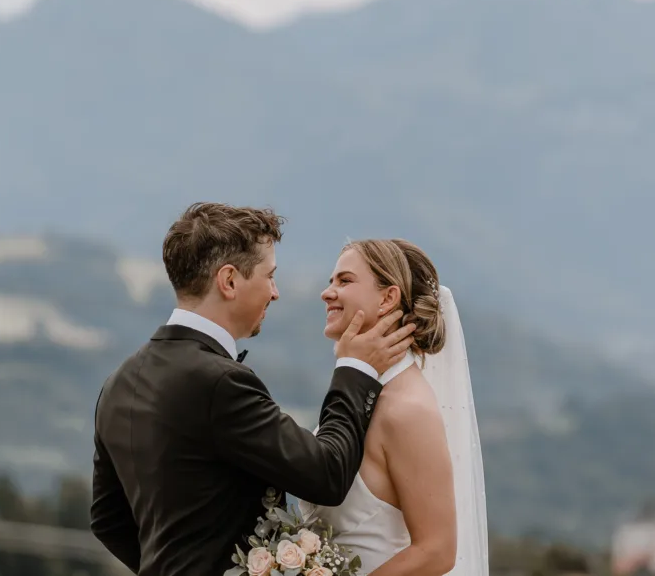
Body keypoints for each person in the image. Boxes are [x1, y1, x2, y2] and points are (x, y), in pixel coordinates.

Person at [90, 203, 416, 576]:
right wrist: (356, 369)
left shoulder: (117, 383)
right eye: (269, 275)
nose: (275, 292)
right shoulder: (220, 382)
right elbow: (326, 474)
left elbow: (107, 521)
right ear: (229, 281)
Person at [301, 239, 488, 576]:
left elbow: (437, 550)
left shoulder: (406, 409)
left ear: (387, 298)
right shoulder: (365, 395)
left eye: (344, 281)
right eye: (331, 282)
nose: (327, 293)